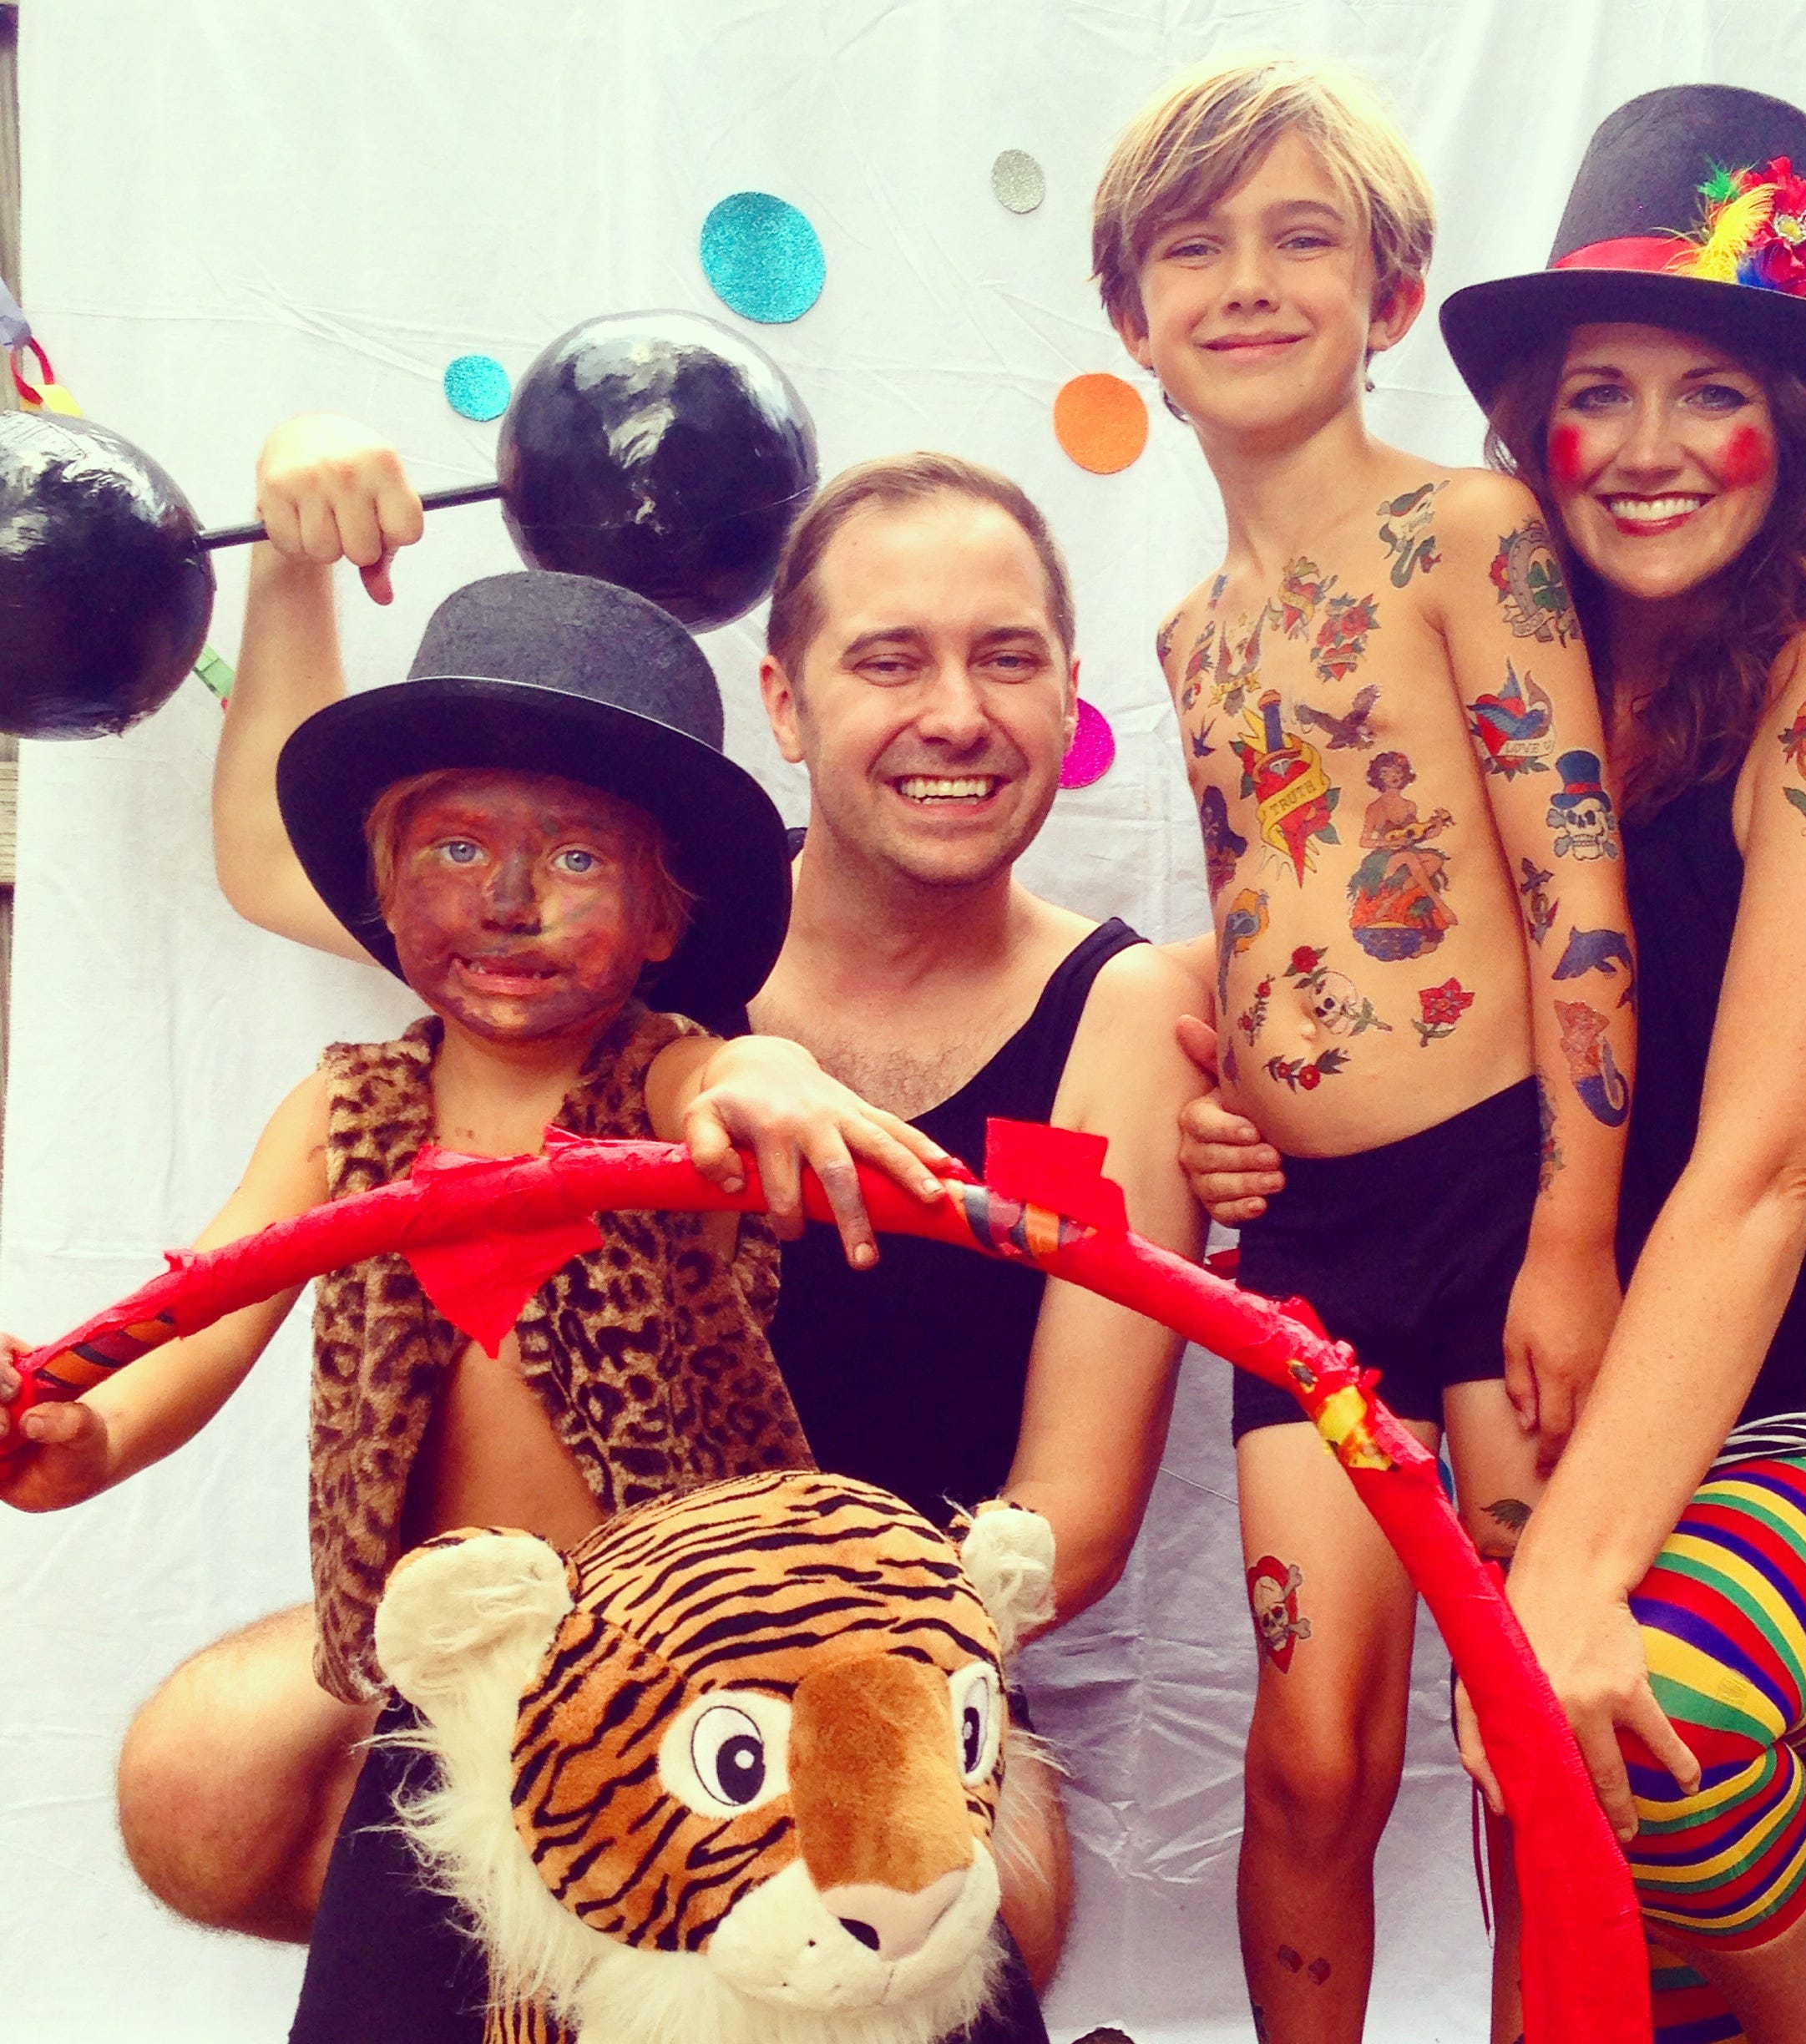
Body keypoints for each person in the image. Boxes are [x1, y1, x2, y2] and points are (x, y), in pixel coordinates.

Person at [1195, 83, 1806, 2044]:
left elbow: (1768, 1177)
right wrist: (1211, 1068)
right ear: (1533, 426)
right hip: (1623, 1398)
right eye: (1602, 390)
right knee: (1584, 1956)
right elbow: (1317, 908)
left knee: (1638, 1677)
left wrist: (1571, 1576)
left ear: (1799, 428)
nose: (1650, 453)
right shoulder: (1510, 644)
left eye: (1710, 391)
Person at [180, 428, 1207, 1995]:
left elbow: (1075, 1513)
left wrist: (793, 1656)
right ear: (787, 707)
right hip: (570, 1620)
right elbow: (288, 858)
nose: (957, 712)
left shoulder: (1125, 1009)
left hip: (873, 1651)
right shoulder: (644, 915)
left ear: (1070, 698)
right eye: (890, 657)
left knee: (997, 1896)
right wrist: (296, 558)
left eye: (1008, 658)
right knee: (196, 1771)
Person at [0, 568, 958, 2036]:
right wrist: (96, 1433)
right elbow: (203, 1318)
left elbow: (728, 1085)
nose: (508, 902)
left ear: (659, 915)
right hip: (455, 1703)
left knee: (810, 1990)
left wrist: (767, 1075)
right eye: (455, 847)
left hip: (704, 1692)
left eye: (576, 860)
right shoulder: (345, 1115)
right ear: (384, 893)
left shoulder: (659, 1085)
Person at [1090, 54, 1635, 2044]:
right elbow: (1261, 902)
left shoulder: (1465, 532)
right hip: (1310, 1251)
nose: (1248, 281)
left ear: (1389, 294)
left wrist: (1575, 1230)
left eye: (1302, 238)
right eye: (1196, 250)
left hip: (1502, 1203)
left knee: (1536, 1732)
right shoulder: (1188, 632)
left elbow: (1574, 883)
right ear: (1133, 326)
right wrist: (1230, 1110)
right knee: (1311, 1749)